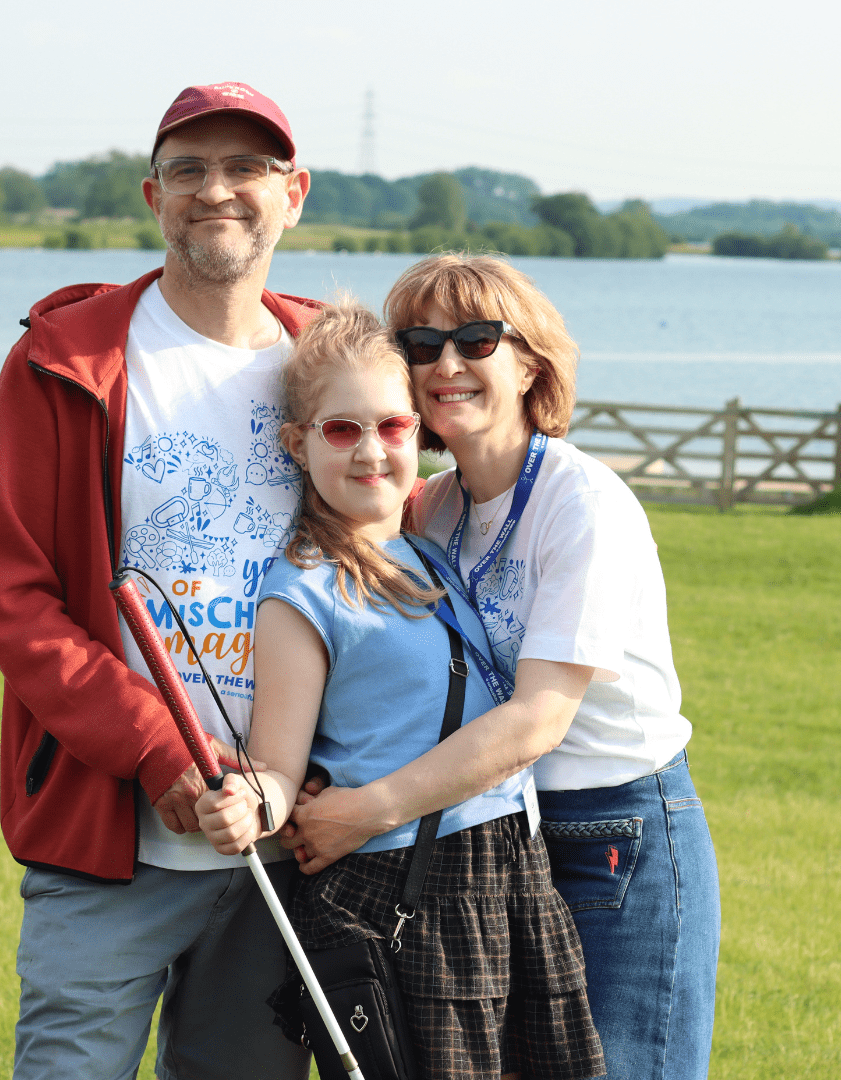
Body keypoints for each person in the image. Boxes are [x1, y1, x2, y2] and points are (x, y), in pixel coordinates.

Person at [284, 254, 721, 1080]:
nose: (446, 363)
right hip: (494, 839)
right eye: (421, 343)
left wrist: (365, 810)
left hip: (614, 829)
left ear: (530, 362)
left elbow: (536, 720)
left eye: (477, 339)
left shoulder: (581, 503)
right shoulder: (431, 506)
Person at [0, 82, 318, 1080]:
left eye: (246, 168)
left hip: (279, 844)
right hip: (107, 830)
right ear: (152, 196)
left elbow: (378, 578)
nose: (219, 190)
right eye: (190, 170)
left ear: (294, 193)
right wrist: (156, 750)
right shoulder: (62, 357)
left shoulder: (335, 363)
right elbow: (14, 592)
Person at [195, 302, 606, 1080]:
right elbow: (280, 768)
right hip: (409, 888)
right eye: (342, 431)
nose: (372, 452)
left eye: (392, 426)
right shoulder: (303, 590)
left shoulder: (432, 548)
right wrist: (256, 804)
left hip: (512, 871)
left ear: (420, 431)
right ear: (299, 444)